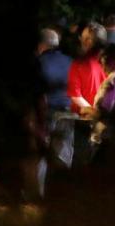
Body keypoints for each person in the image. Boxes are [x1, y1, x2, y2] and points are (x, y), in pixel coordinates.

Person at [67, 22, 108, 165]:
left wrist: (93, 112)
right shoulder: (109, 62)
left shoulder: (79, 63)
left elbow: (75, 95)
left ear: (89, 42)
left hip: (84, 122)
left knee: (82, 164)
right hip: (106, 121)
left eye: (84, 37)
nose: (81, 40)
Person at [37, 28, 74, 171]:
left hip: (47, 113)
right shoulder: (70, 61)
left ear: (41, 45)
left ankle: (39, 191)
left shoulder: (38, 63)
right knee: (63, 156)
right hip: (68, 114)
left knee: (42, 157)